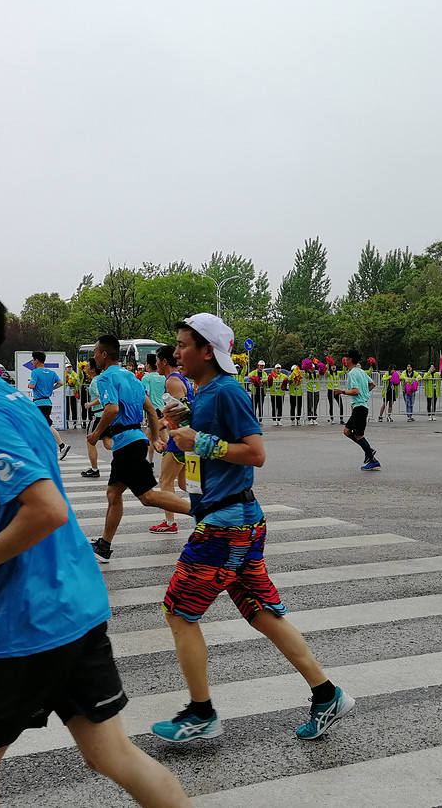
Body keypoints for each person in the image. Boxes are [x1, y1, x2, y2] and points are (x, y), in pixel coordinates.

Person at [0, 275, 190, 808]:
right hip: (76, 604)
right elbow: (31, 479)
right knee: (113, 756)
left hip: (24, 621)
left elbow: (48, 508)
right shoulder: (8, 398)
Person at [152, 313, 355, 743]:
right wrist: (183, 421)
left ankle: (201, 713)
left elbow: (256, 453)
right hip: (236, 523)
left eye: (184, 344)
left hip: (226, 529)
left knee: (179, 612)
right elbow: (207, 437)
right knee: (263, 614)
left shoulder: (227, 391)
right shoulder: (207, 393)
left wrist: (200, 441)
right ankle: (327, 695)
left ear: (208, 350)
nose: (176, 353)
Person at [88, 336, 188, 563]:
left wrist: (96, 434)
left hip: (126, 443)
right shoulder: (132, 377)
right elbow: (152, 411)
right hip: (135, 440)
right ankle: (104, 545)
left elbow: (111, 409)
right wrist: (153, 438)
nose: (94, 356)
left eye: (95, 352)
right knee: (114, 493)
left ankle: (203, 513)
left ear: (104, 354)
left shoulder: (105, 379)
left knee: (148, 496)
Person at [152, 345, 194, 535]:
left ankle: (170, 523)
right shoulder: (180, 378)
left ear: (164, 362)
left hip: (179, 438)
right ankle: (209, 513)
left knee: (165, 481)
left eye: (157, 362)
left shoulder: (172, 381)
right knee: (186, 484)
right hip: (184, 436)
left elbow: (181, 412)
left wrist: (163, 423)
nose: (156, 365)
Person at [334, 350, 380, 471]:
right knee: (347, 431)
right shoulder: (361, 371)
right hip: (359, 406)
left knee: (359, 435)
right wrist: (366, 393)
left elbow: (355, 391)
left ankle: (372, 459)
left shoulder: (353, 373)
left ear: (350, 359)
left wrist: (342, 391)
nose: (344, 360)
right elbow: (372, 384)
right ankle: (369, 451)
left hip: (360, 407)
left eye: (346, 358)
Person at [27, 351, 69, 460]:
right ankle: (42, 447)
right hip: (47, 402)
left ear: (36, 360)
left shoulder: (35, 372)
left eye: (32, 360)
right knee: (40, 425)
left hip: (39, 403)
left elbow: (32, 385)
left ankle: (62, 446)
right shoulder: (51, 373)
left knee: (46, 425)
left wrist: (29, 385)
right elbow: (60, 383)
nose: (32, 362)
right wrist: (51, 389)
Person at [80, 359, 108, 479]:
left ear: (92, 369)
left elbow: (101, 397)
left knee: (90, 441)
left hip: (97, 415)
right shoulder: (100, 379)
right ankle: (128, 452)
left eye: (87, 366)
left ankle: (94, 469)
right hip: (105, 415)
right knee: (108, 442)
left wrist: (90, 404)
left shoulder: (96, 381)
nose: (85, 368)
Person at [141, 354, 166, 462]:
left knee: (151, 436)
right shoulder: (163, 377)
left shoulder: (146, 378)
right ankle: (149, 460)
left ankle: (176, 454)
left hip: (153, 410)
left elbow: (146, 393)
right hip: (162, 408)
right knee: (153, 436)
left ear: (148, 365)